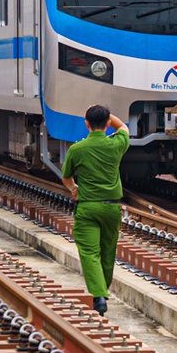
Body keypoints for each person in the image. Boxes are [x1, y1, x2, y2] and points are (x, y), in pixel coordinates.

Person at [59, 105, 129, 315]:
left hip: (88, 208)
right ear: (108, 123)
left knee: (90, 253)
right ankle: (102, 290)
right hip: (112, 208)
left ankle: (99, 297)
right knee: (108, 252)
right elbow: (123, 127)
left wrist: (74, 189)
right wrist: (109, 117)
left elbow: (66, 177)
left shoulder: (77, 149)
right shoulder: (116, 144)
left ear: (86, 124)